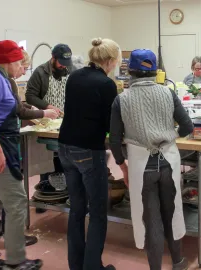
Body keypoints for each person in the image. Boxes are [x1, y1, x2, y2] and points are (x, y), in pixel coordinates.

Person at [109, 49, 193, 270]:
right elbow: (187, 126)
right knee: (172, 212)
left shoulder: (121, 99)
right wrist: (169, 136)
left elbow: (114, 140)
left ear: (130, 72)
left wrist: (122, 166)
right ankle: (178, 262)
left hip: (140, 165)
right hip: (168, 162)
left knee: (150, 219)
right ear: (155, 71)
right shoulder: (168, 93)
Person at [58, 38, 120, 270]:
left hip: (65, 148)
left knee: (76, 209)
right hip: (87, 150)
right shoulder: (106, 84)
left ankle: (76, 265)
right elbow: (110, 123)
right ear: (111, 61)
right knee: (97, 212)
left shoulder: (74, 76)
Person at [0, 40, 42, 269]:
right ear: (10, 61)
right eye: (20, 63)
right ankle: (16, 261)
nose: (22, 68)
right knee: (16, 201)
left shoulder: (0, 79)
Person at [26, 44, 72, 213]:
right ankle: (45, 195)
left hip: (66, 121)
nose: (63, 66)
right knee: (47, 159)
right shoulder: (40, 73)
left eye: (66, 62)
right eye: (60, 62)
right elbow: (30, 95)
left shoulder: (71, 70)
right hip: (47, 121)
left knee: (64, 158)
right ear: (53, 58)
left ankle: (64, 193)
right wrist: (47, 106)